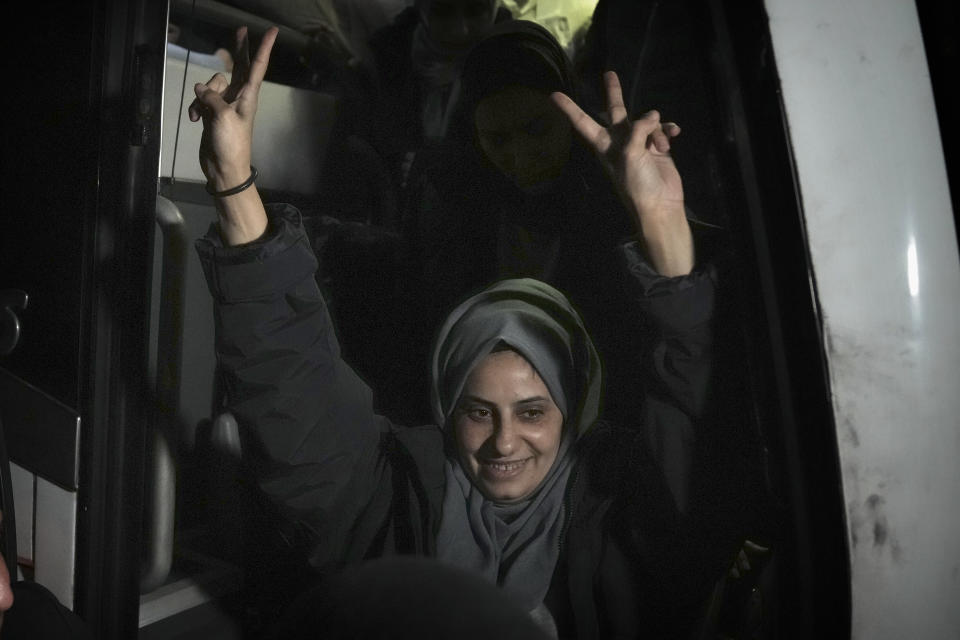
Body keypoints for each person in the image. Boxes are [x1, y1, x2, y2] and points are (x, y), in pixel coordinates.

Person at [189, 26, 740, 638]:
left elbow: (697, 407)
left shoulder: (628, 519)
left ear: (577, 409)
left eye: (532, 412)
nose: (504, 445)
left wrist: (661, 219)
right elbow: (292, 393)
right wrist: (233, 185)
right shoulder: (398, 501)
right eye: (479, 412)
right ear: (446, 408)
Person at [366, 0, 513, 191]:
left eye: (476, 11)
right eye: (442, 12)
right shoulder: (385, 61)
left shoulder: (516, 63)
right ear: (420, 7)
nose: (460, 30)